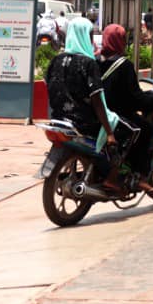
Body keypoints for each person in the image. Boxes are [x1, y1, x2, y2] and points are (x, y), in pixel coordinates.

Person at [98, 24, 153, 198]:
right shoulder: (124, 65)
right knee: (147, 131)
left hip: (99, 115)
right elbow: (136, 100)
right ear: (121, 41)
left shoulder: (97, 61)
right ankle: (140, 177)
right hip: (118, 116)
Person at [44, 15, 116, 180]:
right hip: (83, 123)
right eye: (90, 35)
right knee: (122, 133)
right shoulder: (88, 63)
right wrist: (109, 132)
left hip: (58, 119)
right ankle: (111, 179)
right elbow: (97, 99)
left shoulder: (56, 60)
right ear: (85, 37)